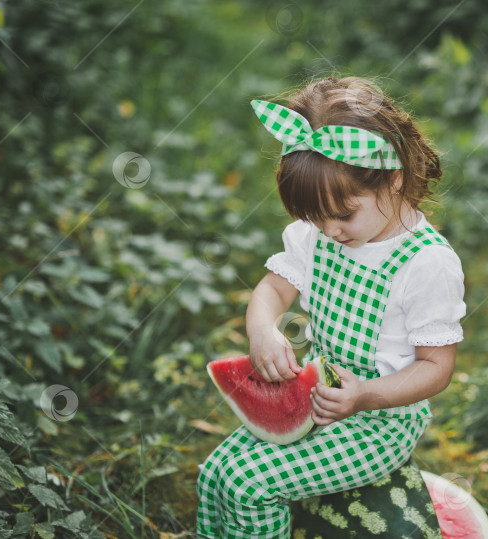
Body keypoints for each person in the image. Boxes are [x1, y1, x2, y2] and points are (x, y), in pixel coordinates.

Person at [197, 76, 466, 538]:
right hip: (321, 392)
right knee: (215, 472)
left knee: (247, 484)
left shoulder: (427, 263)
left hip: (379, 421)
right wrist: (262, 327)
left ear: (395, 176)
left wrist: (364, 396)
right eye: (314, 218)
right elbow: (272, 290)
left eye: (343, 215)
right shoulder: (316, 234)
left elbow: (437, 367)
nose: (330, 231)